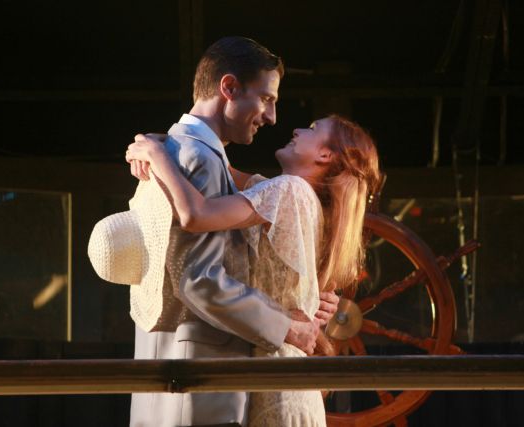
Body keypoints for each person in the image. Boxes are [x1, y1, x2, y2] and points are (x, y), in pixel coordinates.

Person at [126, 36, 339, 427]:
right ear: (229, 87)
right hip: (199, 374)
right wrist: (287, 328)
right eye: (266, 99)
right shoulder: (199, 159)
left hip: (164, 366)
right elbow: (199, 280)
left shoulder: (176, 151)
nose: (271, 117)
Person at [127, 114, 383, 426]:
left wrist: (156, 155)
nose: (297, 129)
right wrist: (163, 143)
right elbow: (222, 168)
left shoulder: (289, 191)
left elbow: (197, 214)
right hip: (285, 379)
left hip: (278, 383)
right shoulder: (297, 198)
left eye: (312, 129)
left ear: (325, 154)